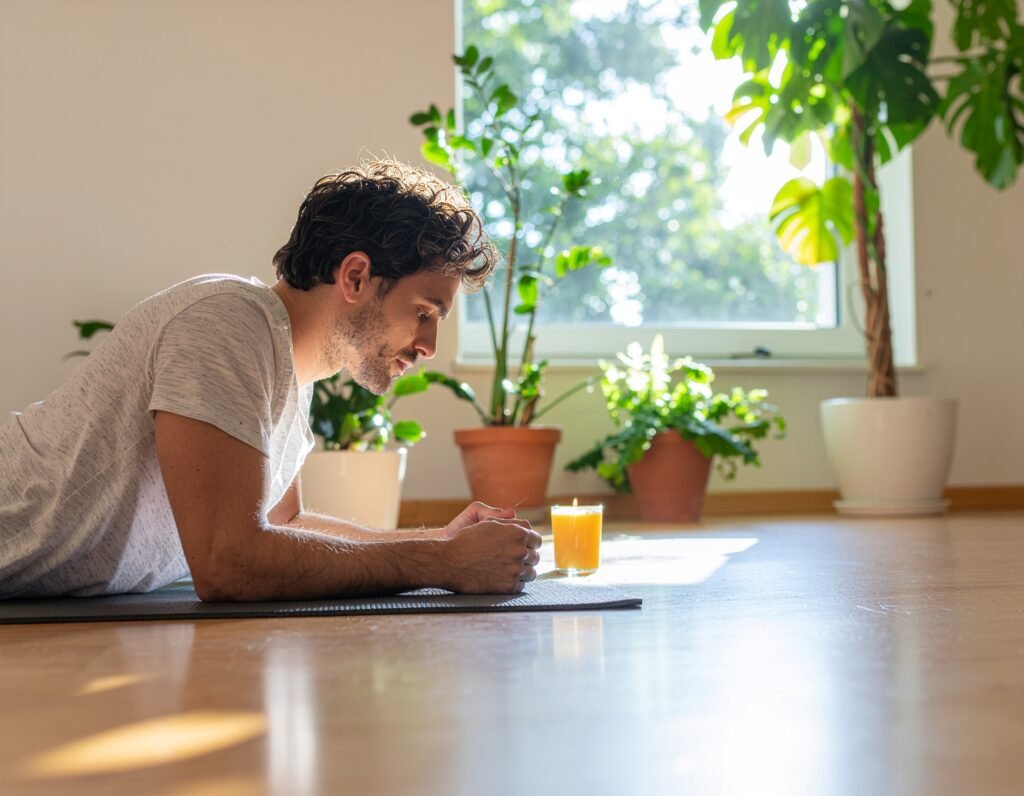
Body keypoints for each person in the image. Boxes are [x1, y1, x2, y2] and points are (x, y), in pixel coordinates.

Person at [0, 160, 542, 600]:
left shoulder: (285, 365)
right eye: (424, 311)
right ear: (355, 276)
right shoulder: (225, 322)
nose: (429, 346)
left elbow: (286, 525)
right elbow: (229, 563)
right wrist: (441, 562)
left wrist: (443, 541)